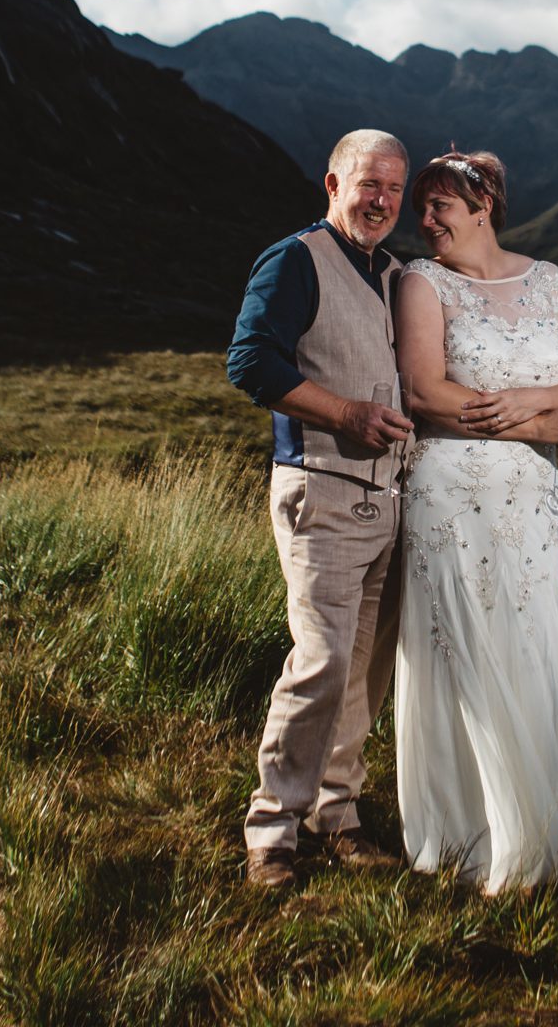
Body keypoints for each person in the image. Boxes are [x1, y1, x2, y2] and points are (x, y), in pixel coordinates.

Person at [394, 149, 558, 893]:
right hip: (448, 490)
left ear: (483, 203)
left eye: (439, 207)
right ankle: (469, 825)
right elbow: (425, 393)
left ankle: (537, 807)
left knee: (528, 634)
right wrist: (537, 427)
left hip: (529, 498)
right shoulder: (420, 282)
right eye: (421, 208)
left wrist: (535, 401)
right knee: (459, 641)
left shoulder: (551, 281)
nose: (423, 221)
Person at [227, 129, 414, 889]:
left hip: (389, 503)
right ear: (332, 183)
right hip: (322, 489)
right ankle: (272, 830)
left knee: (363, 674)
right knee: (321, 661)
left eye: (394, 190)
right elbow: (250, 361)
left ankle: (337, 815)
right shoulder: (295, 259)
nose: (381, 201)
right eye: (368, 184)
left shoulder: (397, 274)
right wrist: (341, 413)